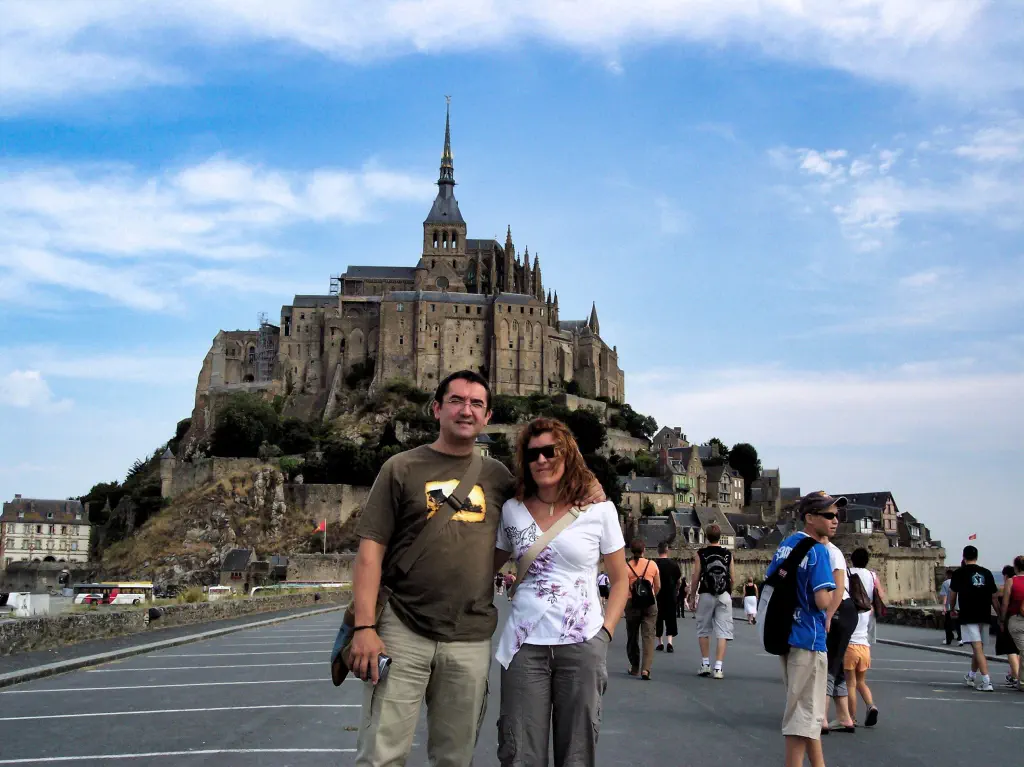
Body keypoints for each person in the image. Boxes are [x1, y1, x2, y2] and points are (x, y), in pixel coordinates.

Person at [348, 370, 605, 767]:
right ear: (436, 409)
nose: (465, 410)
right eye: (456, 400)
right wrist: (364, 628)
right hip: (402, 628)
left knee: (455, 758)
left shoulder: (499, 477)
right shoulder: (400, 468)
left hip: (468, 637)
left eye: (476, 404)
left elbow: (550, 485)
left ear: (487, 417)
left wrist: (591, 484)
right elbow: (370, 553)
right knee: (381, 755)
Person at [494, 417, 629, 767]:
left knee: (577, 755)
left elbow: (620, 581)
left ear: (567, 454)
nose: (541, 460)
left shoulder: (599, 511)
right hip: (524, 647)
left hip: (581, 643)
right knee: (519, 753)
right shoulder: (512, 510)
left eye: (549, 451)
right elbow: (484, 568)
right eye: (533, 453)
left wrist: (604, 635)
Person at [766, 491, 837, 767]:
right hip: (809, 637)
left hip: (787, 634)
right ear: (809, 518)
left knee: (807, 713)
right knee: (801, 717)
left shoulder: (786, 545)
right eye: (828, 515)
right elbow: (822, 601)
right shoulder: (818, 551)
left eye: (836, 516)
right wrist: (837, 592)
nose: (835, 521)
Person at [821, 512, 857, 735]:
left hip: (839, 610)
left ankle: (821, 717)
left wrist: (828, 616)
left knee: (828, 664)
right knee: (838, 663)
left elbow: (838, 587)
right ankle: (844, 717)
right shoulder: (823, 550)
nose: (834, 521)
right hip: (845, 611)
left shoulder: (831, 552)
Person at [948, 545, 999, 692]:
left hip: (968, 615)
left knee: (977, 648)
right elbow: (994, 597)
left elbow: (953, 594)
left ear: (964, 556)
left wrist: (952, 609)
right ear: (976, 556)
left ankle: (986, 681)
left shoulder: (959, 573)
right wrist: (1000, 614)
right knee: (979, 649)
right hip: (984, 614)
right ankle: (971, 676)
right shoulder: (987, 573)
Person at [688, 523, 735, 679]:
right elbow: (733, 578)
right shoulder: (728, 554)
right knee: (723, 632)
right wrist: (729, 592)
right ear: (720, 537)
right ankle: (719, 668)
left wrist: (692, 595)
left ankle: (705, 664)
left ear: (706, 537)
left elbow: (696, 577)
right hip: (724, 595)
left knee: (703, 629)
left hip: (707, 594)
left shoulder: (701, 553)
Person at [844, 548, 879, 727]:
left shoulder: (848, 573)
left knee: (850, 684)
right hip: (864, 644)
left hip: (850, 643)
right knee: (861, 682)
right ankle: (871, 705)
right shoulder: (873, 576)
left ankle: (851, 718)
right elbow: (880, 595)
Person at [625, 537, 661, 680]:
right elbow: (658, 586)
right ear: (644, 550)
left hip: (632, 603)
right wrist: (651, 596)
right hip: (649, 604)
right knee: (648, 636)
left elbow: (622, 588)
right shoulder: (652, 565)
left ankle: (634, 667)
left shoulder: (626, 567)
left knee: (632, 636)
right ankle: (645, 669)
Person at [999, 555, 1024, 691]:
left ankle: (1019, 679)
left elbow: (1005, 603)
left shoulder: (1011, 582)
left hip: (1016, 618)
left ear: (1016, 567)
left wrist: (1002, 620)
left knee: (1016, 650)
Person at [995, 565, 1021, 689]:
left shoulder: (1004, 587)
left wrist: (1001, 619)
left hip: (1011, 619)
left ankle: (1016, 677)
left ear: (1005, 575)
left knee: (1010, 649)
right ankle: (1014, 674)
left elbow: (1003, 604)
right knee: (1020, 650)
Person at [654, 541, 682, 652]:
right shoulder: (674, 564)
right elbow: (678, 580)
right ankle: (669, 642)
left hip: (658, 595)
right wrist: (676, 590)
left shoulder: (654, 564)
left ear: (658, 551)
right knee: (671, 618)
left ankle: (660, 642)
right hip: (670, 594)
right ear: (667, 550)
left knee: (658, 619)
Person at [939, 567, 961, 645]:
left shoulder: (946, 583)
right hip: (959, 607)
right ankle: (960, 639)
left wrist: (944, 607)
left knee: (948, 625)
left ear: (948, 574)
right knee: (959, 624)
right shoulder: (959, 582)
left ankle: (949, 639)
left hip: (950, 608)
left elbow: (944, 596)